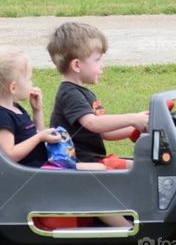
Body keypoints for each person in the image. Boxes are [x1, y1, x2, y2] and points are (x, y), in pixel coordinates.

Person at [47, 22, 149, 169]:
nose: (102, 65)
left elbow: (104, 132)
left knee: (139, 167)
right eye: (97, 60)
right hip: (76, 163)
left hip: (92, 159)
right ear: (77, 65)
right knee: (139, 170)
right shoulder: (69, 94)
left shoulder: (82, 92)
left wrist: (136, 126)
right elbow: (93, 124)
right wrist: (133, 118)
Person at [0, 51, 61, 168]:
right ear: (13, 87)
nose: (31, 83)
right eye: (29, 79)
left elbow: (37, 133)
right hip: (28, 174)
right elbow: (8, 155)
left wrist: (37, 111)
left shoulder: (15, 108)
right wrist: (39, 138)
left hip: (40, 167)